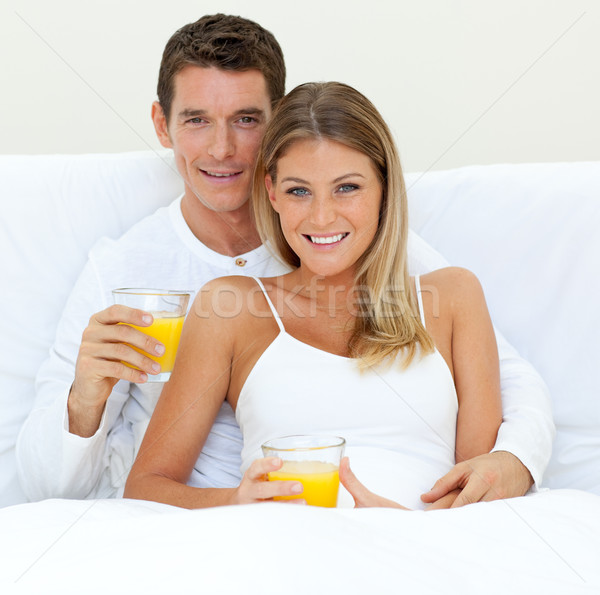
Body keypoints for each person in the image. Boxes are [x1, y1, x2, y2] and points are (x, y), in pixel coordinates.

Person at [16, 14, 553, 507]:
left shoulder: (380, 250)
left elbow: (510, 385)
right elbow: (61, 489)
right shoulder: (127, 273)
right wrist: (85, 399)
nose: (222, 148)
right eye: (197, 120)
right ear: (163, 125)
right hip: (235, 529)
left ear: (274, 125)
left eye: (246, 119)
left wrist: (511, 463)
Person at [124, 81, 505, 509]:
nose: (322, 217)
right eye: (299, 191)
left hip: (419, 554)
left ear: (384, 189)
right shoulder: (228, 309)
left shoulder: (454, 297)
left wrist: (401, 526)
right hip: (285, 551)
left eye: (347, 188)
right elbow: (146, 487)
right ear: (271, 193)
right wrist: (235, 501)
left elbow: (480, 492)